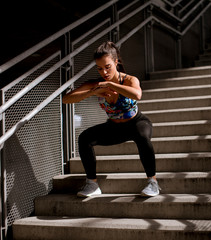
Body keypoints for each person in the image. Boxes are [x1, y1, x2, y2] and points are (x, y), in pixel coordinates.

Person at [62, 41, 161, 197]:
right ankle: (92, 185)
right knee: (84, 138)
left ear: (116, 62)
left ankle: (153, 182)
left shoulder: (129, 80)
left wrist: (111, 85)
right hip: (114, 127)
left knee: (142, 136)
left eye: (107, 67)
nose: (104, 72)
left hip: (137, 123)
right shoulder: (96, 84)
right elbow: (66, 99)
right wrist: (93, 92)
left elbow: (137, 95)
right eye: (100, 68)